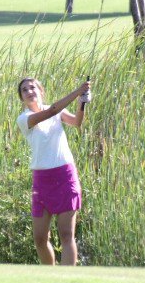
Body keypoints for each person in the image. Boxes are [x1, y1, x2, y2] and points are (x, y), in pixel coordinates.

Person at [15, 76, 92, 266]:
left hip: (65, 175)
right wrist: (78, 90)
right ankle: (50, 275)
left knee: (67, 235)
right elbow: (53, 110)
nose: (29, 91)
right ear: (22, 98)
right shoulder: (24, 119)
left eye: (32, 87)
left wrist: (82, 102)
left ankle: (66, 281)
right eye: (24, 90)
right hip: (42, 180)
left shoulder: (57, 111)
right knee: (40, 239)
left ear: (41, 91)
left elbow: (76, 122)